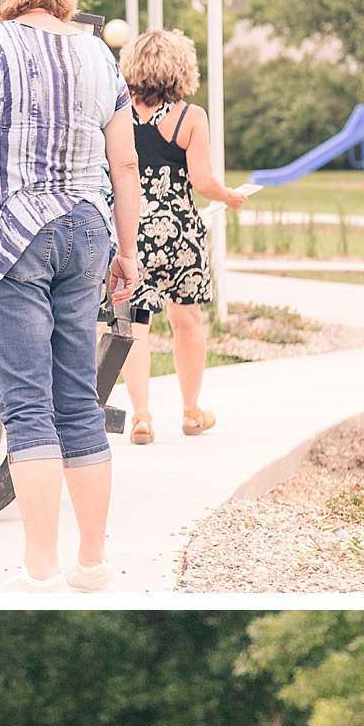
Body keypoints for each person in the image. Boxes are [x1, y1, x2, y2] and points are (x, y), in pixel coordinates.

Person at [0, 0, 143, 593]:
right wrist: (127, 250)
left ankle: (41, 566)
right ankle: (93, 561)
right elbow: (125, 161)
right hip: (86, 231)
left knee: (26, 404)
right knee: (79, 396)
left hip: (15, 234)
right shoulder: (97, 53)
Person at [115, 30, 252, 444]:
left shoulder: (117, 113)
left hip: (132, 227)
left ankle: (141, 416)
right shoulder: (191, 117)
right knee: (187, 318)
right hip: (180, 231)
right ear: (181, 69)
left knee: (137, 321)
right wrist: (229, 196)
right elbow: (202, 180)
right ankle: (192, 412)